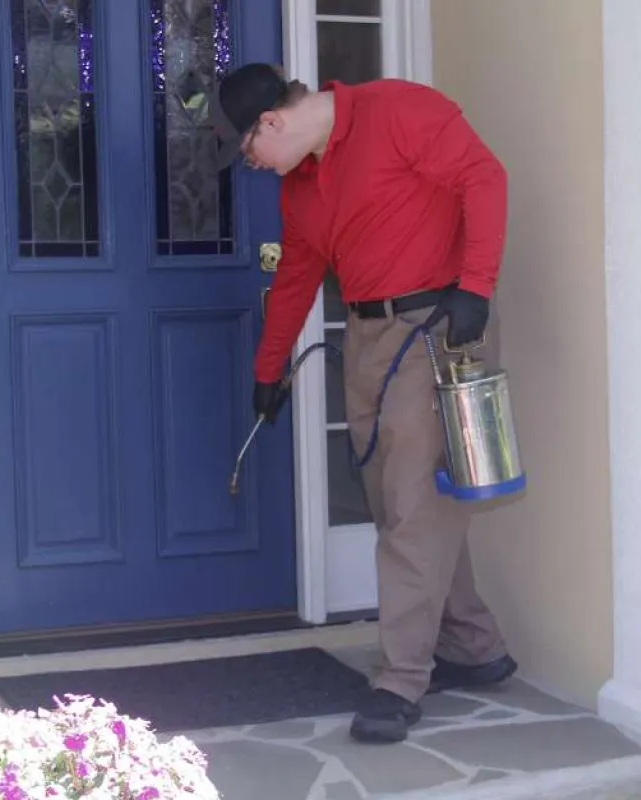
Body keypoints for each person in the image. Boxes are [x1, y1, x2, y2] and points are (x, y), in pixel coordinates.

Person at [210, 63, 517, 744]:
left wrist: (477, 286)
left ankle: (399, 680)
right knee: (401, 503)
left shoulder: (399, 111)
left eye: (248, 150)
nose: (253, 165)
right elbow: (294, 277)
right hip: (368, 339)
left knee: (412, 506)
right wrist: (270, 371)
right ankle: (473, 646)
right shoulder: (303, 186)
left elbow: (483, 178)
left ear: (272, 122)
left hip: (434, 327)